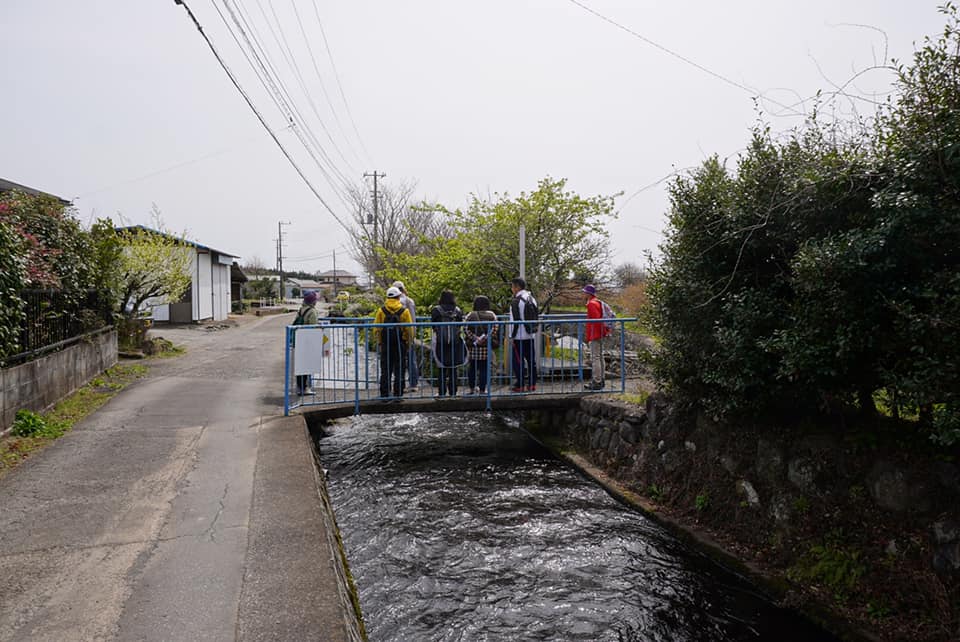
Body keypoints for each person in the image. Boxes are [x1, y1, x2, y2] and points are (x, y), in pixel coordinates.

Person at [373, 286, 413, 400]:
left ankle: (384, 395)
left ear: (387, 297)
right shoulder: (404, 311)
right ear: (399, 297)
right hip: (400, 345)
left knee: (385, 369)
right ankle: (398, 395)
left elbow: (376, 329)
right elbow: (409, 330)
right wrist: (407, 342)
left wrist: (380, 342)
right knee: (399, 369)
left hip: (386, 344)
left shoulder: (381, 311)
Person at [430, 290, 466, 397]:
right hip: (455, 342)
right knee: (453, 368)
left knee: (441, 367)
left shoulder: (436, 310)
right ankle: (453, 392)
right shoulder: (457, 310)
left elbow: (433, 325)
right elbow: (460, 325)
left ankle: (441, 393)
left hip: (440, 342)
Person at [464, 295, 499, 395]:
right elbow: (495, 328)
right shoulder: (492, 315)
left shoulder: (471, 315)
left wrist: (475, 338)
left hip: (474, 347)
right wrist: (485, 338)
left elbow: (466, 328)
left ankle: (471, 389)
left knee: (472, 368)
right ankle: (483, 390)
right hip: (486, 346)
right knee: (484, 368)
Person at [508, 277, 538, 392]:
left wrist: (511, 336)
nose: (512, 289)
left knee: (517, 361)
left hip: (519, 336)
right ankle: (532, 384)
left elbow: (513, 321)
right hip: (530, 334)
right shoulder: (531, 298)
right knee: (531, 361)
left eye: (512, 286)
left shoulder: (516, 301)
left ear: (516, 287)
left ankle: (519, 385)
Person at [582, 284, 611, 390]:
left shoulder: (591, 304)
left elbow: (596, 321)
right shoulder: (598, 302)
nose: (583, 294)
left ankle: (596, 381)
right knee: (600, 356)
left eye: (584, 292)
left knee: (595, 357)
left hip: (596, 333)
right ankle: (601, 380)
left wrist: (592, 335)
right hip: (600, 333)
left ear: (588, 294)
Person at [392, 280, 419, 392]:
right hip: (409, 333)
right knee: (412, 360)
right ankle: (413, 384)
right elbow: (413, 318)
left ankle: (399, 384)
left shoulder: (393, 302)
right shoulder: (409, 301)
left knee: (398, 360)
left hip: (396, 335)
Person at [294, 290, 319, 395]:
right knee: (307, 366)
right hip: (308, 340)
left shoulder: (301, 309)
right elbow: (313, 326)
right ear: (313, 301)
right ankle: (305, 388)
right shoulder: (312, 311)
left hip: (300, 338)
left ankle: (300, 388)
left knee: (300, 365)